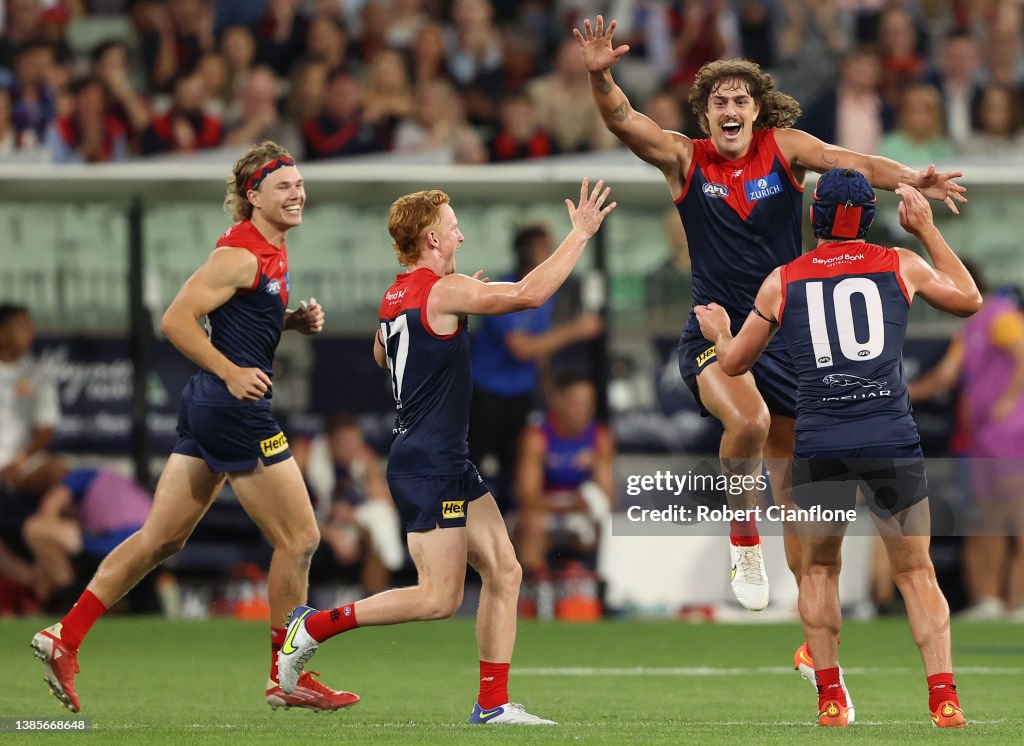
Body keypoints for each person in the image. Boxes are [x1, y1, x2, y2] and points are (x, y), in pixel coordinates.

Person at [574, 15, 966, 621]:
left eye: (741, 99)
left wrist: (914, 177)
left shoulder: (783, 150)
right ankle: (742, 536)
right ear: (704, 114)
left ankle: (812, 638)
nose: (730, 108)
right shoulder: (685, 159)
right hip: (714, 328)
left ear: (757, 111)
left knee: (798, 505)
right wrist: (602, 77)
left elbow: (848, 162)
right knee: (750, 421)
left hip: (787, 338)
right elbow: (625, 120)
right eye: (718, 101)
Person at [30, 141, 357, 714]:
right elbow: (176, 320)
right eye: (284, 187)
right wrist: (231, 372)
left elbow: (234, 313)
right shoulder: (242, 253)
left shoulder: (268, 251)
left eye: (300, 184)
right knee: (299, 538)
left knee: (163, 538)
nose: (297, 193)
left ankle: (65, 637)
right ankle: (286, 676)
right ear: (253, 196)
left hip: (209, 406)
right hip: (232, 408)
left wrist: (289, 322)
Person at [276, 178, 616, 726]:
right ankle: (313, 626)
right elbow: (528, 294)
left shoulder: (395, 296)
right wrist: (578, 234)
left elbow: (384, 355)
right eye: (452, 223)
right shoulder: (442, 289)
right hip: (429, 463)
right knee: (437, 598)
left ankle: (493, 704)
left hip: (443, 459)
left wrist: (454, 304)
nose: (460, 230)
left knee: (505, 570)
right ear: (432, 239)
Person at [694, 167, 980, 727]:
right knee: (917, 573)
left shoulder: (784, 279)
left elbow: (734, 365)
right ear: (870, 218)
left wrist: (720, 334)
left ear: (815, 214)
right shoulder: (902, 263)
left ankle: (830, 698)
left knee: (821, 570)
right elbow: (968, 299)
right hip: (890, 436)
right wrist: (925, 229)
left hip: (822, 440)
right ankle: (944, 698)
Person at [910, 265, 1024, 621]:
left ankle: (1018, 604)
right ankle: (989, 600)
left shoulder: (1001, 316)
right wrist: (892, 396)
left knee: (1017, 519)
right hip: (980, 439)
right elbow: (945, 376)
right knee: (985, 519)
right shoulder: (970, 327)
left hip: (1009, 435)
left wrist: (1008, 402)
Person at [468, 224, 603, 510]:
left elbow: (540, 352)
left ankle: (508, 540)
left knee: (513, 470)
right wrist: (575, 330)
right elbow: (521, 348)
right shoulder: (500, 290)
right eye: (546, 247)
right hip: (486, 394)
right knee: (473, 467)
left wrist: (552, 393)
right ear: (527, 253)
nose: (553, 253)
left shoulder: (546, 295)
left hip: (521, 394)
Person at [515, 373, 614, 581]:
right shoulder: (537, 437)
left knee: (611, 526)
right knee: (532, 524)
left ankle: (601, 592)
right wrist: (569, 505)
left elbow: (607, 497)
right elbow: (527, 497)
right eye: (576, 403)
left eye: (588, 404)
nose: (583, 411)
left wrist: (590, 501)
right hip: (544, 513)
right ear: (558, 402)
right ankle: (535, 594)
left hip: (580, 515)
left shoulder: (600, 437)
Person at [303, 413, 403, 596]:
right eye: (345, 443)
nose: (351, 448)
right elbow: (293, 514)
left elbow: (386, 502)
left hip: (343, 523)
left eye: (355, 442)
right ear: (329, 442)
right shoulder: (305, 454)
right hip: (309, 524)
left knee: (378, 531)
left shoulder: (363, 457)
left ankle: (371, 602)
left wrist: (353, 513)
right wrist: (333, 537)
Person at [23, 468, 152, 604]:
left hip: (119, 542)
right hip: (149, 544)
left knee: (35, 528)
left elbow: (48, 510)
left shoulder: (79, 478)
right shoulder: (116, 482)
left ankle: (71, 592)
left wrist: (42, 564)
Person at [0, 304, 61, 497]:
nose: (30, 333)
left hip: (20, 466)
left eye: (30, 326)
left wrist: (17, 463)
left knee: (58, 473)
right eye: (21, 326)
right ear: (2, 333)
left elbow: (45, 432)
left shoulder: (38, 375)